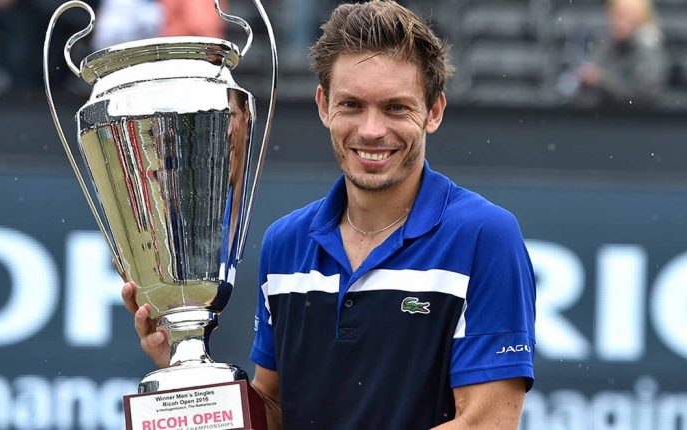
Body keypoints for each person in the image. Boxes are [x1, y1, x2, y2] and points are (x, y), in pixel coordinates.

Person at [122, 1, 536, 429]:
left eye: (396, 107)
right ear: (324, 105)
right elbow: (275, 409)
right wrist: (187, 369)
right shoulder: (286, 243)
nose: (371, 130)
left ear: (434, 112)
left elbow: (487, 422)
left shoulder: (485, 236)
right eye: (352, 104)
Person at [576, 0, 669, 106]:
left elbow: (643, 93)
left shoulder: (649, 49)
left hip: (637, 114)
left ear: (640, 19)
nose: (619, 22)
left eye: (625, 16)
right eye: (616, 15)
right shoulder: (608, 44)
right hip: (606, 112)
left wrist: (602, 80)